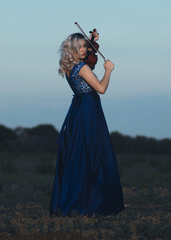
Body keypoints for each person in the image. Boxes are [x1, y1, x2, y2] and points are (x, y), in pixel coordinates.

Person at [49, 33, 124, 216]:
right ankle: (90, 202)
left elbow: (89, 54)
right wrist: (108, 70)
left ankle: (74, 199)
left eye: (85, 46)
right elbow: (101, 88)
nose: (84, 50)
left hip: (79, 108)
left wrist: (91, 41)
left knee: (80, 153)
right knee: (94, 153)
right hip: (89, 109)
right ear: (72, 48)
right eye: (80, 47)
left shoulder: (68, 66)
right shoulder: (82, 67)